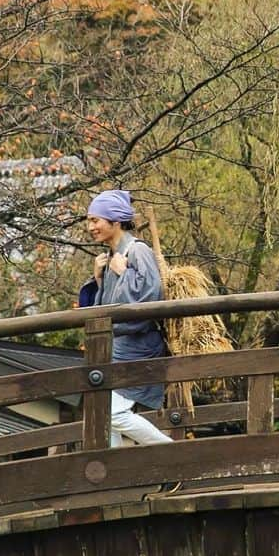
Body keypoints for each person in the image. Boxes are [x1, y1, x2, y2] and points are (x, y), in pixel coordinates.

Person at [79, 189, 174, 450]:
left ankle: (173, 453)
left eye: (96, 220)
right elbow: (105, 307)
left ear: (116, 221)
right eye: (89, 221)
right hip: (117, 347)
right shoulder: (111, 257)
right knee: (102, 413)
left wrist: (123, 274)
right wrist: (99, 279)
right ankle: (117, 479)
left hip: (138, 346)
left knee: (112, 413)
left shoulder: (138, 251)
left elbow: (151, 298)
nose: (91, 227)